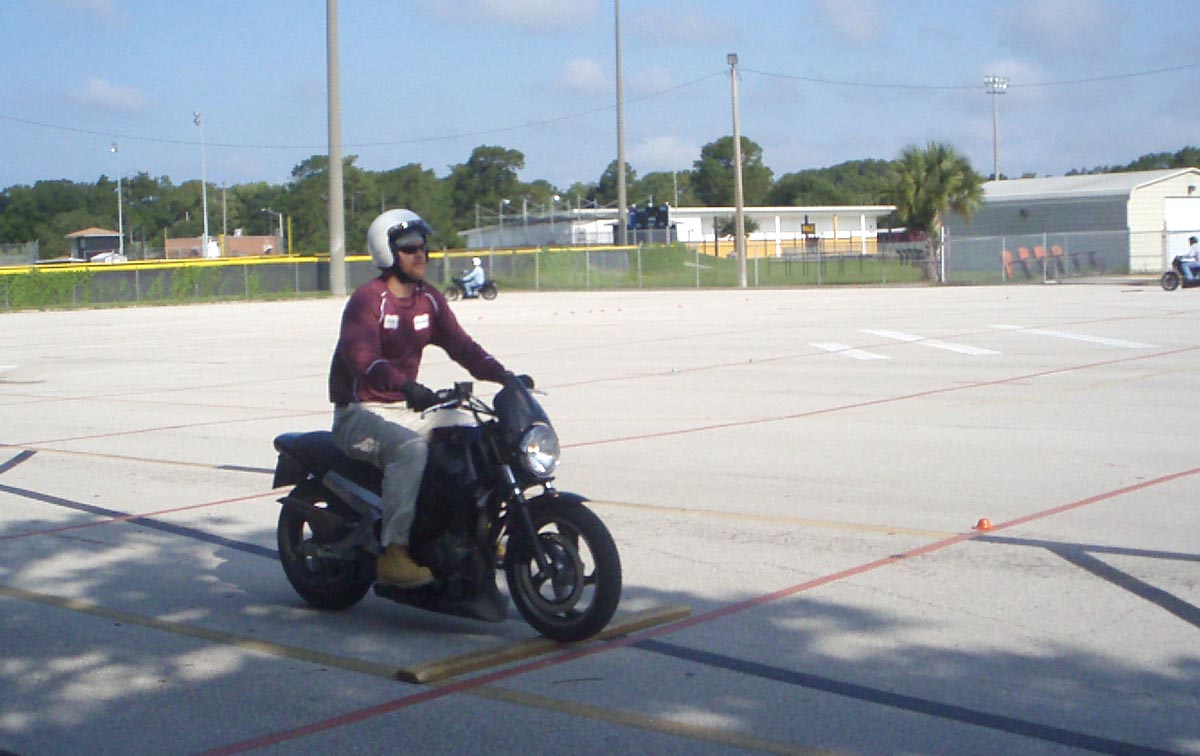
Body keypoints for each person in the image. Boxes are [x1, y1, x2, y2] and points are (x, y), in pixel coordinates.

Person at [328, 209, 521, 589]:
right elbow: (363, 359)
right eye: (409, 248)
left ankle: (477, 533)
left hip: (407, 409)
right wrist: (407, 386)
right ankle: (394, 552)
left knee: (479, 437)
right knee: (410, 451)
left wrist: (505, 377)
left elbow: (462, 347)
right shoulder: (368, 300)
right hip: (360, 413)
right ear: (387, 253)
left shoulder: (428, 299)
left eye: (423, 247)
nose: (421, 255)